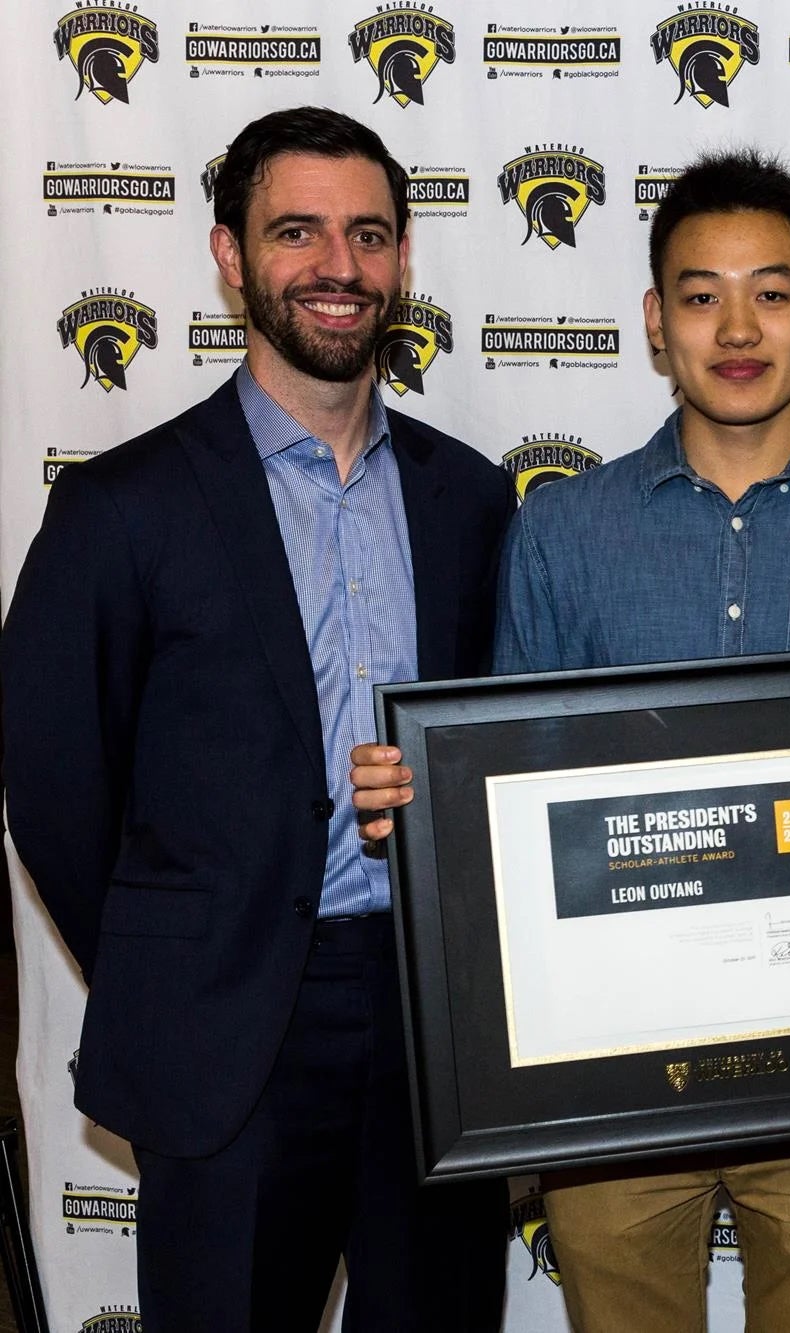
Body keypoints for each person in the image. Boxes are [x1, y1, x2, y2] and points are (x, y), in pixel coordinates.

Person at [351, 149, 790, 1332]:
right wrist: (421, 799)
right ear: (654, 320)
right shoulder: (561, 532)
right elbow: (508, 804)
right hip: (609, 1076)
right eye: (699, 294)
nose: (738, 327)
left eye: (773, 292)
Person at [1, 107, 513, 1330]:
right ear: (230, 254)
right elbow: (60, 796)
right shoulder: (119, 509)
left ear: (401, 260)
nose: (339, 267)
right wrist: (182, 959)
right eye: (298, 231)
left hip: (437, 1035)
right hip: (224, 1041)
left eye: (370, 235)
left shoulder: (472, 500)